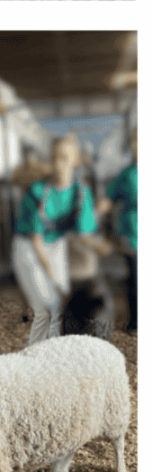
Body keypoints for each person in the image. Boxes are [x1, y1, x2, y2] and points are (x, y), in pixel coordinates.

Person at [11, 134, 98, 347]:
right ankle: (37, 359)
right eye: (55, 158)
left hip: (57, 246)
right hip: (29, 248)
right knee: (46, 307)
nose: (59, 164)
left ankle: (53, 358)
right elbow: (36, 239)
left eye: (65, 158)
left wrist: (104, 246)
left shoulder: (81, 192)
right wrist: (51, 275)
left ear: (75, 161)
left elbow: (85, 236)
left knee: (59, 307)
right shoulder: (38, 191)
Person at [106, 128, 137, 332]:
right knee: (135, 280)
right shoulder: (126, 176)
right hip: (132, 237)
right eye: (134, 142)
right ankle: (135, 324)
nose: (136, 146)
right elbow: (108, 200)